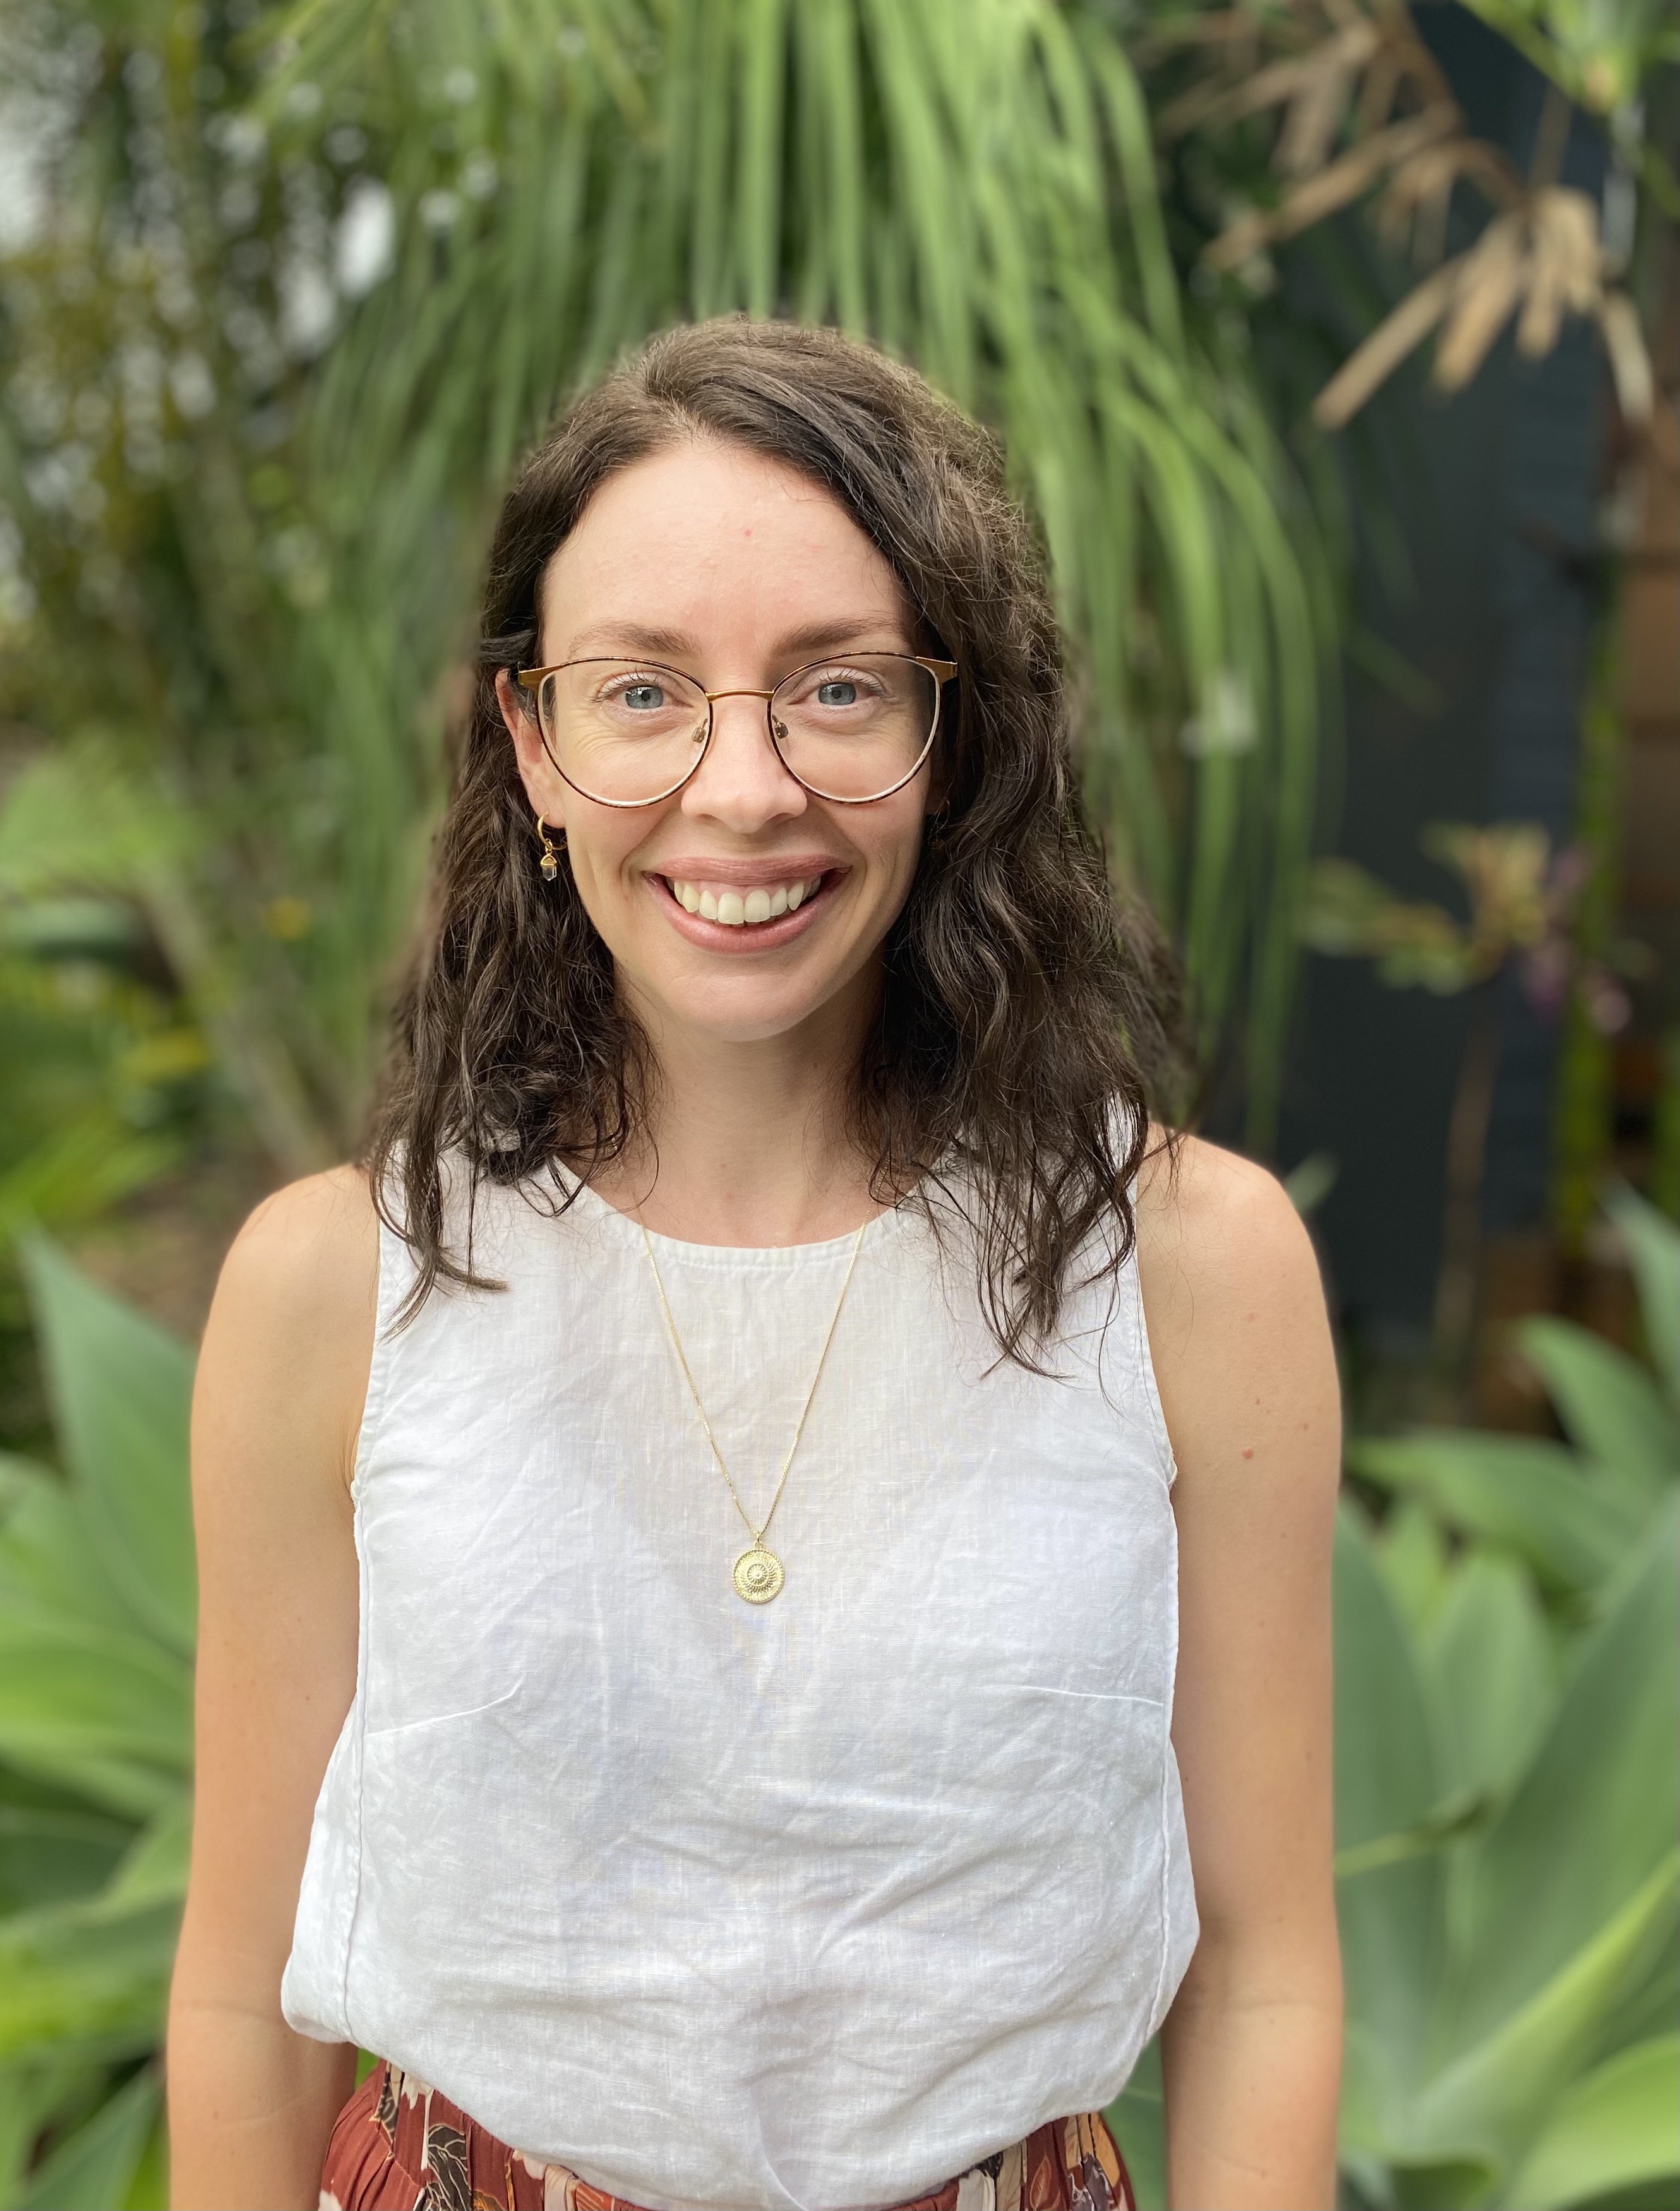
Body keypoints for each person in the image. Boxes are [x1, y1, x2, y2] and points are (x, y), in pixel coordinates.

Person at [167, 319, 1342, 2211]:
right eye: (643, 693)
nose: (741, 788)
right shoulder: (332, 1289)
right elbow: (242, 1995)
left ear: (952, 743)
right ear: (530, 748)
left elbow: (1266, 1967)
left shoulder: (1195, 1270)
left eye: (836, 690)